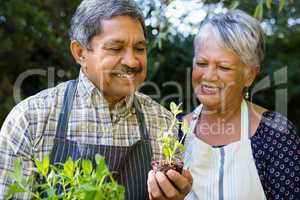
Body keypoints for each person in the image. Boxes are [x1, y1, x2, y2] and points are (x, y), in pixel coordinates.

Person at [0, 0, 192, 199]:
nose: (132, 61)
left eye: (139, 48)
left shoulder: (162, 122)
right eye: (116, 48)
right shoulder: (31, 119)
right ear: (80, 52)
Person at [183, 10, 300, 200]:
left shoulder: (275, 133)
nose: (208, 76)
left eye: (223, 67)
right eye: (201, 63)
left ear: (249, 75)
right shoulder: (175, 131)